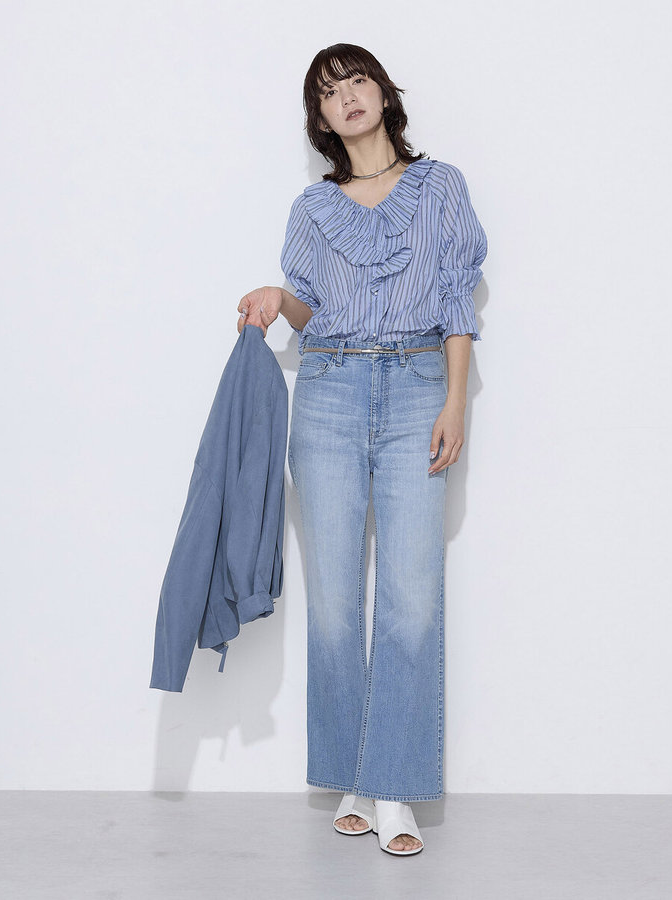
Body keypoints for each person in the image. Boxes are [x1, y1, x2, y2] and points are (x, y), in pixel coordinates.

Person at [236, 43, 487, 856]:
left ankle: (396, 788)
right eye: (328, 91)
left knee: (412, 597)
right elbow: (314, 310)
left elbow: (455, 299)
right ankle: (352, 774)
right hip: (330, 390)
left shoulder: (440, 187)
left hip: (418, 385)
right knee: (336, 599)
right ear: (320, 117)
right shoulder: (313, 209)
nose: (345, 95)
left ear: (382, 91)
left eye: (356, 80)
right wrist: (278, 299)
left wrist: (454, 400)